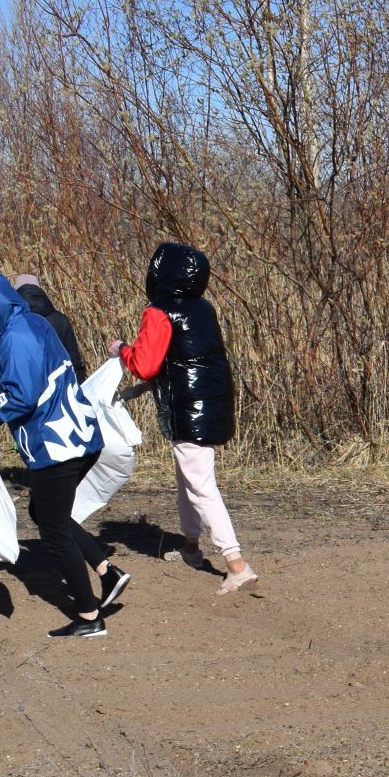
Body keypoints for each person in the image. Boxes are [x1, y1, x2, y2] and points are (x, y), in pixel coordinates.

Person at [0, 270, 128, 639]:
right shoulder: (33, 321)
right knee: (46, 513)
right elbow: (28, 388)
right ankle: (107, 572)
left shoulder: (14, 338)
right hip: (81, 436)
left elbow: (19, 399)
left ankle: (88, 613)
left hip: (57, 446)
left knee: (53, 527)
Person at [109, 241, 258, 595]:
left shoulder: (160, 311)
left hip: (190, 408)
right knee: (188, 479)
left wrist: (120, 351)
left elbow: (145, 364)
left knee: (202, 486)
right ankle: (191, 547)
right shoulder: (203, 308)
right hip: (210, 403)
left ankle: (236, 564)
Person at [12, 272, 89, 382]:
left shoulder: (15, 323)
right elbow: (74, 359)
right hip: (61, 385)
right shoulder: (61, 319)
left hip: (30, 387)